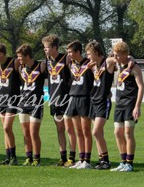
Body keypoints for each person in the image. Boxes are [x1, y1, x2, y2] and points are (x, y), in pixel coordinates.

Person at [42, 35, 76, 167]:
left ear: (54, 47)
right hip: (54, 99)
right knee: (59, 129)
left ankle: (72, 157)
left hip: (66, 98)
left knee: (69, 129)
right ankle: (62, 157)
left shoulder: (66, 59)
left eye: (47, 47)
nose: (45, 50)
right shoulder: (47, 60)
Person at [111, 42, 143, 172]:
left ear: (125, 54)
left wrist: (137, 106)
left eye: (118, 55)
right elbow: (108, 59)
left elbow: (141, 86)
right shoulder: (117, 64)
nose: (116, 57)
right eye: (115, 55)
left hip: (130, 103)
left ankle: (129, 163)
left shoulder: (134, 67)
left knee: (128, 132)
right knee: (117, 133)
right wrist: (119, 58)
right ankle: (123, 161)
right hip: (119, 103)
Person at [86, 41, 116, 170]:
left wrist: (130, 58)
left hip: (103, 101)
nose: (87, 57)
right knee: (98, 133)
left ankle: (106, 160)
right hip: (94, 100)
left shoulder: (107, 62)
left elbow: (118, 58)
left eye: (89, 54)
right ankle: (101, 160)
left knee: (96, 131)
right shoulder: (94, 65)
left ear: (95, 52)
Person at [65, 41, 94, 169]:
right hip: (73, 97)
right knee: (78, 131)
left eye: (71, 52)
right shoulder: (71, 64)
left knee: (86, 130)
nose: (69, 54)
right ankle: (81, 159)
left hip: (85, 98)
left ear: (78, 52)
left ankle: (87, 160)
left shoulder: (89, 63)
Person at [17, 44, 46, 166]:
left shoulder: (41, 66)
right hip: (23, 103)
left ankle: (36, 158)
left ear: (27, 56)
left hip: (36, 103)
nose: (18, 59)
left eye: (20, 56)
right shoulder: (21, 68)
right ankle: (28, 157)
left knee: (34, 132)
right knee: (25, 132)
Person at [0, 42, 20, 165]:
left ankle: (14, 156)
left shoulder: (14, 62)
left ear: (1, 54)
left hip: (12, 100)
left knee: (7, 127)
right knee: (5, 130)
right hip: (1, 99)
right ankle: (8, 157)